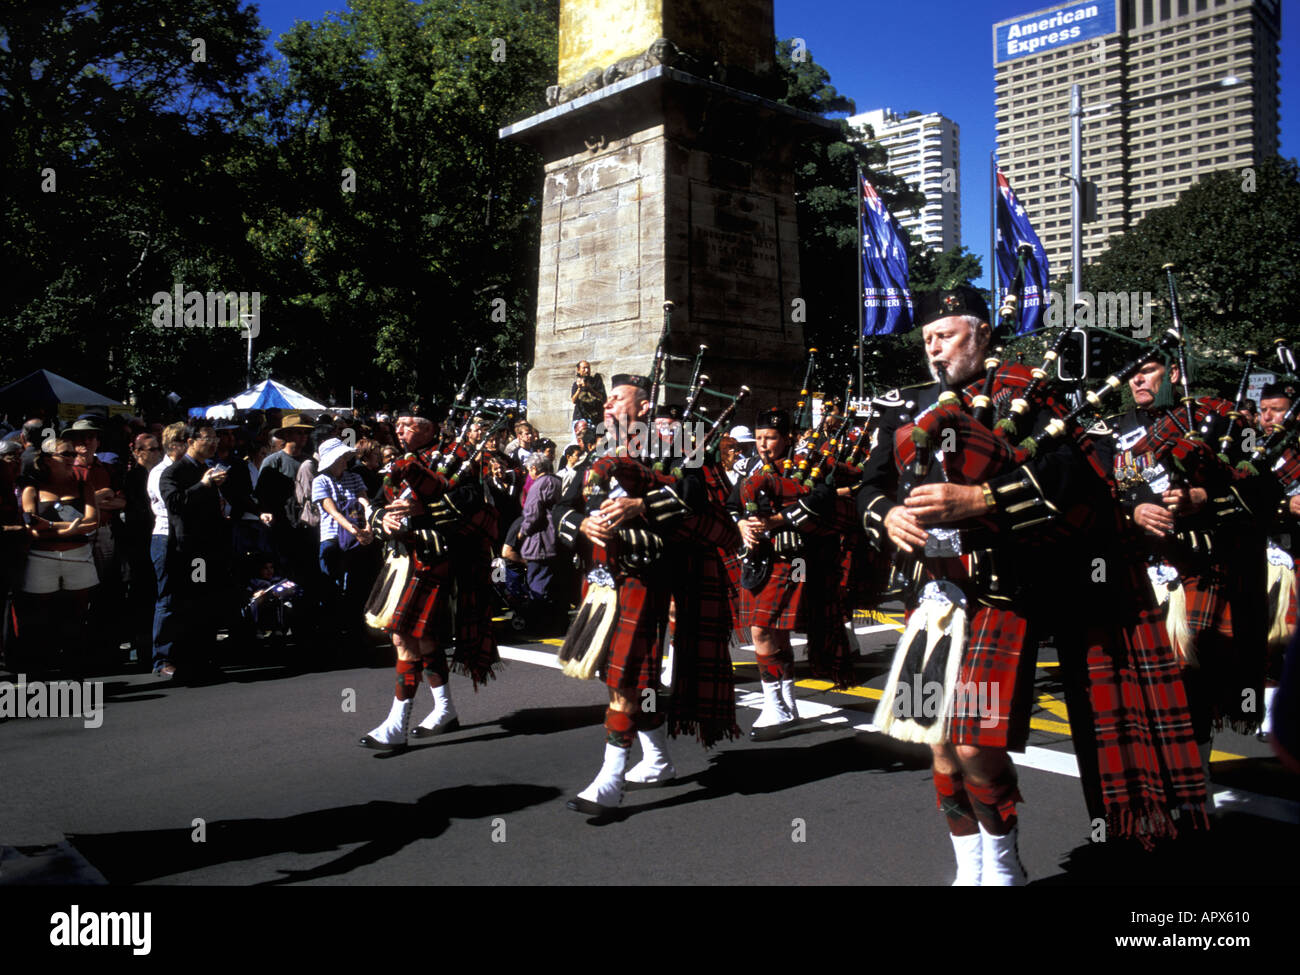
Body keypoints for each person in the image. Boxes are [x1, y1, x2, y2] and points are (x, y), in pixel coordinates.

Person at [855, 286, 1205, 884]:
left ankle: (1002, 856)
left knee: (972, 747)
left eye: (948, 335)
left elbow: (1073, 474)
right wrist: (885, 514)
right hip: (938, 598)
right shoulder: (906, 407)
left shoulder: (1030, 391)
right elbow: (869, 485)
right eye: (928, 340)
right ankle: (972, 867)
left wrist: (982, 497)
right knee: (938, 746)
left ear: (983, 334)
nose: (935, 349)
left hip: (1003, 593)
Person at [553, 374, 740, 816]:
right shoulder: (596, 452)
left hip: (645, 575)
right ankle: (657, 759)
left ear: (644, 405)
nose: (607, 405)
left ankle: (610, 779)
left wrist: (643, 504)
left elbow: (695, 493)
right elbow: (561, 505)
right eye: (607, 400)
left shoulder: (673, 444)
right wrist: (580, 523)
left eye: (617, 399)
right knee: (618, 676)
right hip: (600, 580)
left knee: (625, 679)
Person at [358, 404, 501, 750]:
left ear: (429, 427)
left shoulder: (460, 457)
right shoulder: (396, 464)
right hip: (403, 560)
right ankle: (445, 710)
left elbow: (477, 503)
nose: (400, 431)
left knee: (405, 637)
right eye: (398, 425)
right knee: (422, 640)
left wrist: (428, 508)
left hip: (438, 559)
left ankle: (396, 724)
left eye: (408, 425)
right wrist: (381, 521)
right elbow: (377, 503)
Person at [730, 408, 856, 740]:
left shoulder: (807, 463)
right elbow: (731, 506)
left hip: (794, 558)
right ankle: (786, 704)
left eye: (769, 437)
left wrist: (778, 521)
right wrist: (742, 524)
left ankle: (775, 706)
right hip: (759, 558)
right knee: (772, 632)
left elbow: (823, 498)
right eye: (758, 438)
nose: (762, 444)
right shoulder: (752, 468)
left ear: (786, 437)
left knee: (762, 629)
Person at [19, 439, 99, 674]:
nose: (72, 458)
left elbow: (92, 522)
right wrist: (67, 528)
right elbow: (32, 527)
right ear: (46, 459)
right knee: (40, 616)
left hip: (78, 555)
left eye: (73, 453)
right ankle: (41, 668)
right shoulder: (32, 489)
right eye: (65, 454)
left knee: (77, 615)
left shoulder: (83, 485)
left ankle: (74, 668)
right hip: (42, 557)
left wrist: (51, 525)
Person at [159, 421, 232, 681]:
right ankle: (187, 662)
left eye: (215, 438)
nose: (213, 443)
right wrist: (203, 485)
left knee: (209, 604)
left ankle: (206, 659)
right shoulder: (173, 472)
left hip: (212, 548)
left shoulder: (208, 468)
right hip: (191, 550)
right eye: (207, 438)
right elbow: (175, 504)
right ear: (190, 441)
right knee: (191, 604)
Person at [312, 438, 374, 643]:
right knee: (331, 585)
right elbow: (333, 511)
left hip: (356, 537)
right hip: (333, 537)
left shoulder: (354, 477)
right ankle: (332, 633)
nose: (346, 460)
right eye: (342, 457)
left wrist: (368, 526)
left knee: (356, 586)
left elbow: (365, 502)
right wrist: (355, 530)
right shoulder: (320, 481)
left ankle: (355, 630)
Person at [570, 360, 606, 425]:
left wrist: (590, 388)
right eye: (584, 368)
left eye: (588, 368)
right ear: (578, 370)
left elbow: (602, 397)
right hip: (580, 419)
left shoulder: (596, 382)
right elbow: (573, 401)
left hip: (597, 419)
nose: (587, 370)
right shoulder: (576, 384)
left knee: (600, 434)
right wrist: (579, 389)